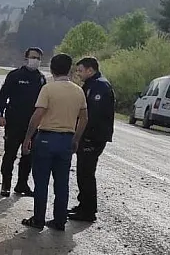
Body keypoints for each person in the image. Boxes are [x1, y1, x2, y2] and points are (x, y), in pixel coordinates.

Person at [20, 53, 87, 231]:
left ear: (51, 69)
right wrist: (76, 139)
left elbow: (38, 114)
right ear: (70, 69)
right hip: (66, 139)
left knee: (41, 182)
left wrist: (28, 137)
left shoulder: (48, 89)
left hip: (46, 138)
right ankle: (59, 220)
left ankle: (39, 219)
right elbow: (84, 118)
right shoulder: (78, 91)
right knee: (62, 183)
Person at [69, 57, 115, 223]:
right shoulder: (91, 84)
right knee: (82, 171)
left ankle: (88, 211)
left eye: (81, 70)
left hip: (93, 137)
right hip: (88, 136)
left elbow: (92, 115)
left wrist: (82, 134)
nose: (79, 74)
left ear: (90, 70)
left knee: (86, 172)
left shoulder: (99, 86)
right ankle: (84, 205)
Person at [0, 47, 46, 197]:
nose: (35, 60)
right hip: (13, 122)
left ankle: (22, 184)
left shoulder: (41, 79)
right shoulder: (15, 75)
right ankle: (6, 184)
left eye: (38, 58)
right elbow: (2, 97)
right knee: (10, 154)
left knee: (28, 155)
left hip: (32, 124)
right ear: (26, 58)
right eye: (33, 57)